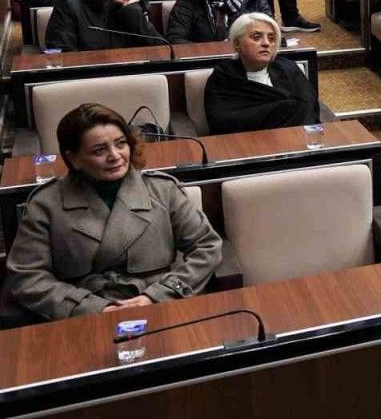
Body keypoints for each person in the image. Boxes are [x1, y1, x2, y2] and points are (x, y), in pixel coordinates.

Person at [0, 104, 221, 323]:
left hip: (159, 305)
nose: (115, 156)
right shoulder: (46, 203)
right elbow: (27, 276)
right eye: (99, 150)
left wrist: (161, 294)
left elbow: (206, 246)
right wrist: (90, 308)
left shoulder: (163, 189)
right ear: (74, 158)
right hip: (83, 315)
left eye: (121, 144)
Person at [204, 13, 320, 135]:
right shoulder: (224, 76)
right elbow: (221, 121)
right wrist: (282, 110)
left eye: (271, 38)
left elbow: (309, 109)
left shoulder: (288, 69)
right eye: (256, 37)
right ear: (237, 44)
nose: (266, 43)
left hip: (294, 140)